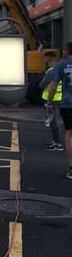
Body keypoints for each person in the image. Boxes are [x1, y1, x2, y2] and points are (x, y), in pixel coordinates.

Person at [45, 42, 72, 180]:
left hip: (68, 104)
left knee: (69, 134)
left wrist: (49, 102)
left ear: (67, 51)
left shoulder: (61, 66)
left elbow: (53, 86)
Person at [39, 52, 63, 151]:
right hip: (58, 98)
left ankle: (58, 144)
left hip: (51, 100)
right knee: (53, 120)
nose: (44, 61)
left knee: (53, 122)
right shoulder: (60, 68)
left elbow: (42, 84)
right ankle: (56, 141)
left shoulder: (51, 71)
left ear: (49, 60)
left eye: (45, 59)